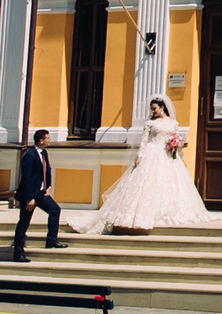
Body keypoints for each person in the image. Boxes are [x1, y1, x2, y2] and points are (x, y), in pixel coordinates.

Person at [74, 96, 211, 234]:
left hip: (168, 155)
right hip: (152, 153)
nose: (153, 111)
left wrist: (176, 143)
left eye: (155, 108)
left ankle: (171, 211)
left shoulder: (173, 123)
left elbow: (176, 137)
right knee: (146, 183)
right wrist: (140, 156)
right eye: (152, 109)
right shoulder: (150, 123)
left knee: (171, 183)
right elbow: (144, 141)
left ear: (162, 108)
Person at [11, 129, 61, 260]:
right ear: (41, 140)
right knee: (24, 222)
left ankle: (52, 240)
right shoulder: (29, 155)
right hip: (30, 195)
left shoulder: (44, 152)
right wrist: (29, 198)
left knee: (55, 210)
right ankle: (18, 253)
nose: (50, 140)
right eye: (48, 138)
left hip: (41, 193)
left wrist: (47, 187)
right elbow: (27, 178)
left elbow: (47, 170)